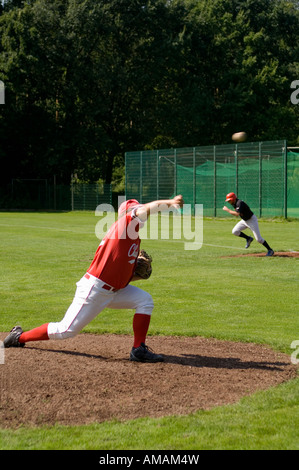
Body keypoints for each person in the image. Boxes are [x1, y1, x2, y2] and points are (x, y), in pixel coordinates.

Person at [3, 195, 184, 362]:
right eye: (136, 209)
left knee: (145, 301)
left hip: (114, 289)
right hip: (95, 289)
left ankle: (138, 350)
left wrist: (136, 276)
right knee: (66, 330)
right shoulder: (125, 225)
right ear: (127, 213)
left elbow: (120, 276)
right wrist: (171, 203)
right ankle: (18, 337)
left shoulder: (132, 237)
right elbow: (146, 209)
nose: (142, 213)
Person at [223, 192, 274, 256]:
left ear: (233, 199)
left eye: (229, 200)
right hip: (244, 221)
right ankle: (248, 238)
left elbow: (236, 214)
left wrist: (227, 210)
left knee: (259, 239)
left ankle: (270, 250)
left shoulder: (239, 203)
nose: (228, 202)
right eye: (228, 200)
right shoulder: (234, 203)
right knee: (235, 231)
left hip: (252, 220)